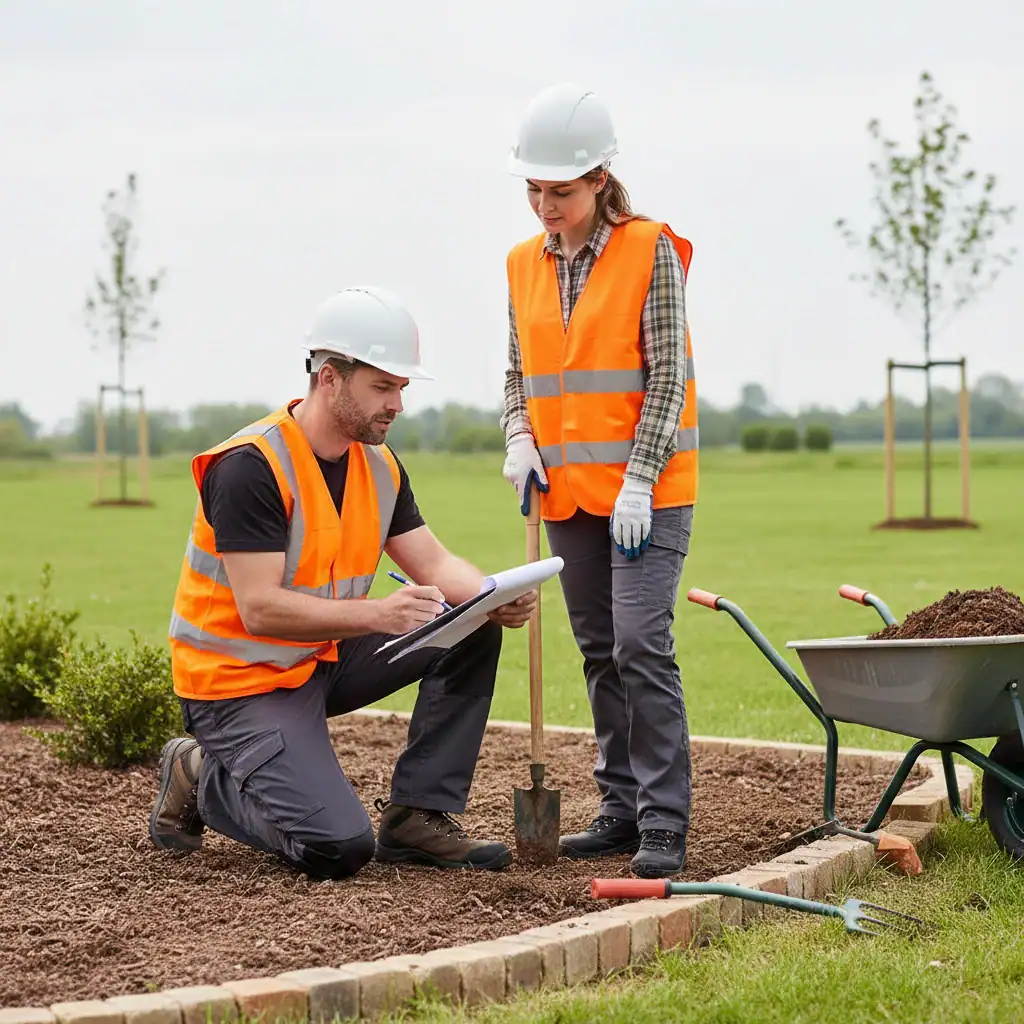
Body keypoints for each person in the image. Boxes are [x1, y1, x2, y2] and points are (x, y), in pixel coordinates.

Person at [150, 285, 537, 880]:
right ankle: (199, 775)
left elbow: (433, 565)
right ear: (329, 378)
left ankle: (417, 818)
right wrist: (378, 616)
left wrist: (492, 594)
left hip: (320, 659)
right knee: (340, 849)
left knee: (472, 628)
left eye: (401, 389)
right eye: (383, 387)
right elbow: (259, 610)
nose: (397, 406)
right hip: (236, 684)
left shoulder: (378, 465)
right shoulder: (249, 467)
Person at [499, 83, 699, 879]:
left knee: (641, 643)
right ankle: (618, 807)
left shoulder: (649, 249)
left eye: (562, 191)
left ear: (600, 178)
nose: (546, 205)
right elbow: (518, 372)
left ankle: (663, 820)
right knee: (597, 649)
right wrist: (520, 436)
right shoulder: (521, 264)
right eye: (534, 190)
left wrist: (641, 480)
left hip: (648, 494)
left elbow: (666, 380)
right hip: (569, 496)